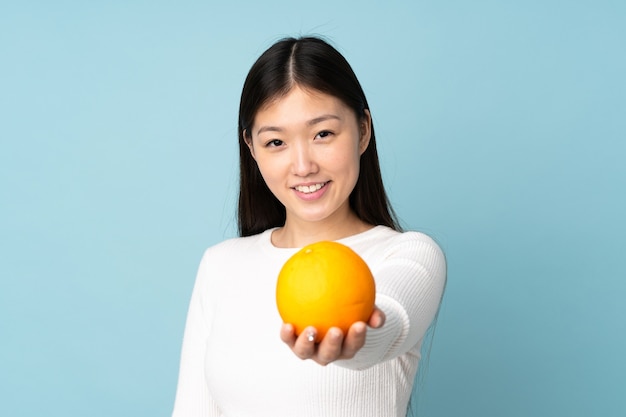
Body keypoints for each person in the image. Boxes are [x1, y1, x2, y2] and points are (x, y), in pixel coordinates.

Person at [171, 36, 447, 417]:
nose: (303, 166)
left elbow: (390, 323)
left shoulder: (409, 254)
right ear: (251, 148)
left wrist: (351, 340)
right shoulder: (220, 265)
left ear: (363, 130)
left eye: (322, 134)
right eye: (276, 142)